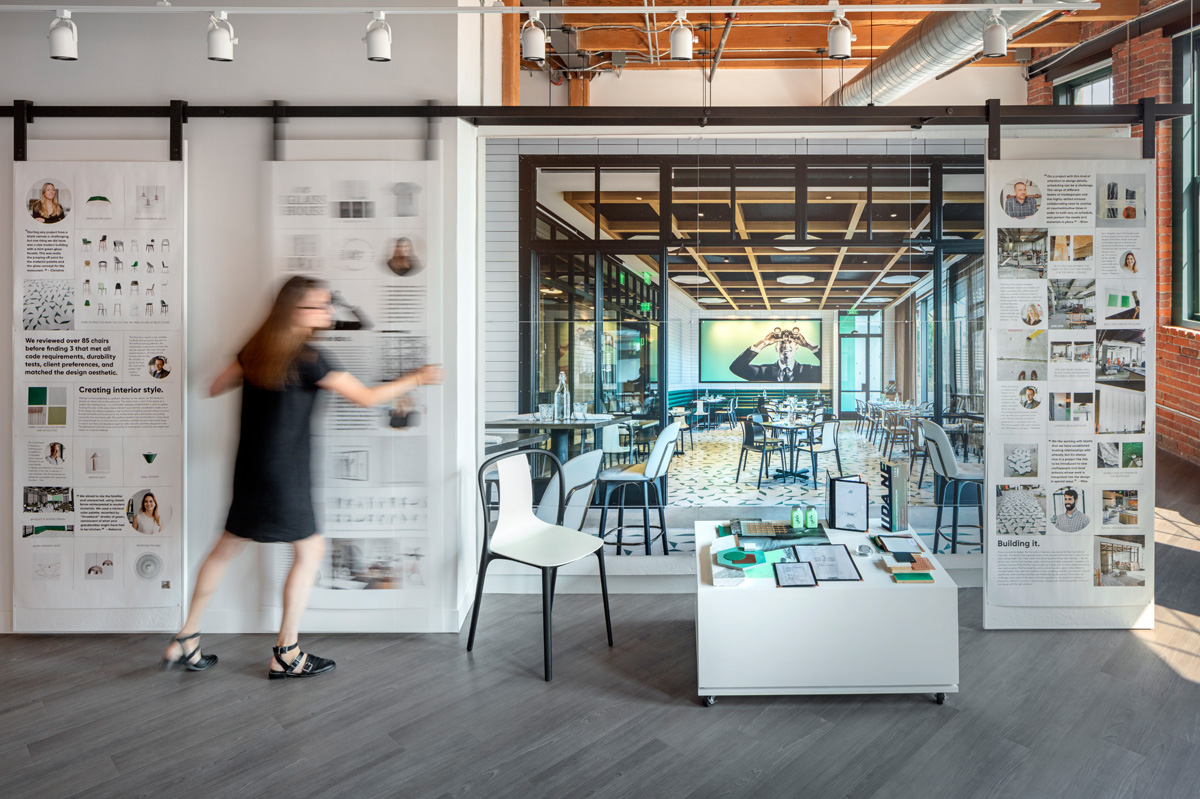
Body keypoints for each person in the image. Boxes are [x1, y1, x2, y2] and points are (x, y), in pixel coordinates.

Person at [161, 275, 442, 678]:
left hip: (250, 469)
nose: (328, 312)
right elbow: (366, 398)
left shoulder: (256, 350)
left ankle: (186, 638)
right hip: (285, 474)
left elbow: (215, 385)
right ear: (294, 311)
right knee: (309, 552)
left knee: (225, 548)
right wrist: (418, 377)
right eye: (319, 305)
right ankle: (286, 653)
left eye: (328, 304)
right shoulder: (311, 359)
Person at [729, 327, 820, 383]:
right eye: (782, 342)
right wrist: (763, 343)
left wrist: (810, 346)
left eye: (790, 342)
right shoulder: (763, 372)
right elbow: (736, 368)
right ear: (776, 348)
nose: (786, 345)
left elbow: (832, 369)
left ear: (796, 348)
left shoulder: (808, 371)